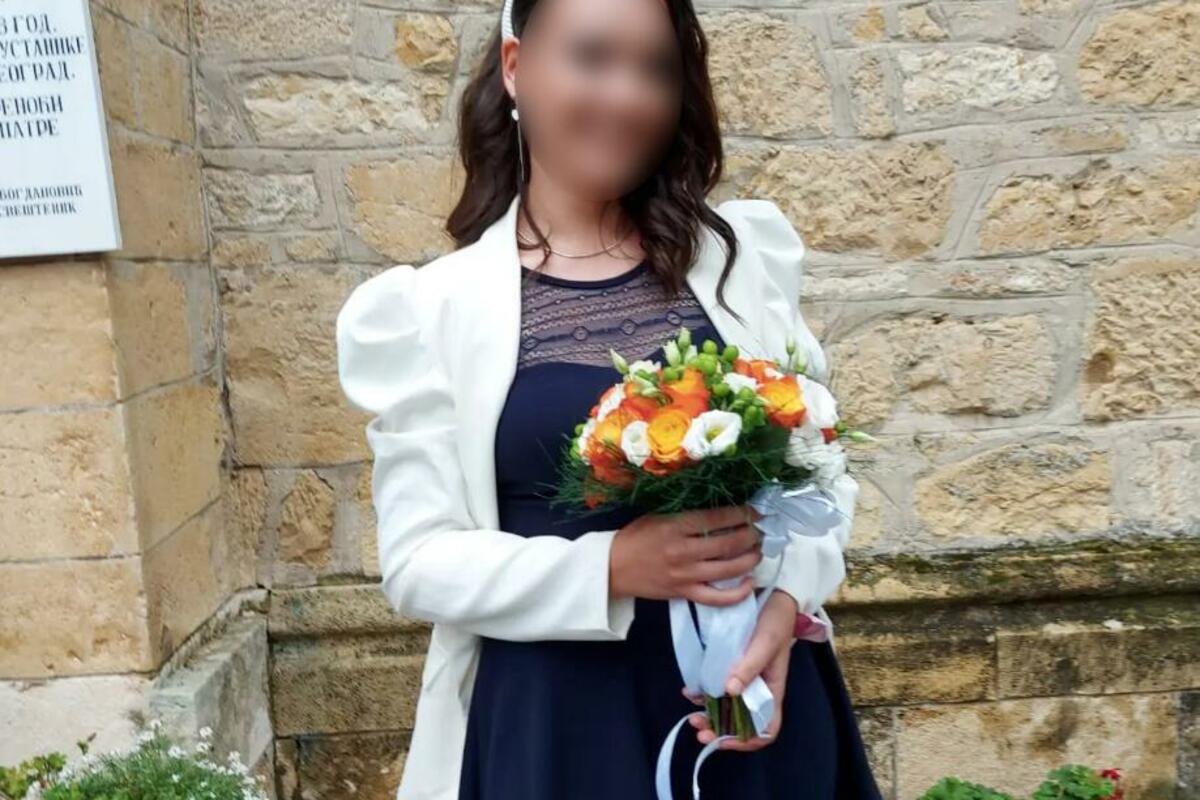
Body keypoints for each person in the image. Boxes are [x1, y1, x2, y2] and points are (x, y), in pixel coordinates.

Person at [335, 0, 885, 798]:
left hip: (748, 708)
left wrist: (786, 610)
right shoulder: (430, 311)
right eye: (592, 58)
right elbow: (418, 563)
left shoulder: (738, 262)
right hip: (560, 727)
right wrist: (616, 567)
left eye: (654, 69)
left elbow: (821, 476)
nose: (628, 97)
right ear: (517, 68)